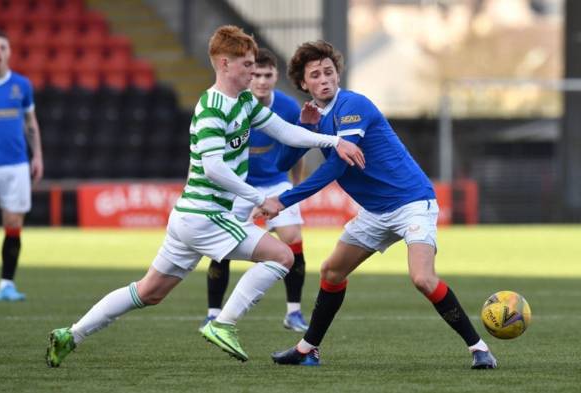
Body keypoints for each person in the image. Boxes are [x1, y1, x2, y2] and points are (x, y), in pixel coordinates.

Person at [45, 25, 364, 367]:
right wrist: (257, 197)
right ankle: (223, 324)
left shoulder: (243, 101)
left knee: (149, 291)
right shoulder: (211, 109)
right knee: (282, 256)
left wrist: (332, 141)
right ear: (224, 64)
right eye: (245, 65)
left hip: (191, 216)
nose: (251, 72)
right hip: (205, 215)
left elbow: (283, 130)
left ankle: (70, 335)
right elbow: (214, 169)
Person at [260, 40, 497, 369]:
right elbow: (283, 160)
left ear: (338, 75)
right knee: (331, 271)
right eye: (315, 74)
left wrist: (282, 200)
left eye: (329, 71)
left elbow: (338, 166)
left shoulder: (353, 106)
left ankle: (479, 349)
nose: (324, 78)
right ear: (303, 83)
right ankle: (307, 349)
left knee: (422, 279)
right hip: (375, 212)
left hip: (412, 202)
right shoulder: (318, 116)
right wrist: (306, 128)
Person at [201, 48, 309, 333]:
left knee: (293, 238)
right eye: (257, 74)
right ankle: (213, 313)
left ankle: (294, 313)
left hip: (275, 182)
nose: (261, 80)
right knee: (220, 248)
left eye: (267, 75)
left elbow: (296, 149)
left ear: (275, 76)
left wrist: (294, 189)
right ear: (249, 75)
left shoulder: (287, 107)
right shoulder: (233, 104)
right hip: (239, 185)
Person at [0, 31, 44, 302]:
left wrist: (37, 156)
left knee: (14, 223)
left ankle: (6, 284)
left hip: (17, 163)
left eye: (2, 47)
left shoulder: (22, 85)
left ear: (9, 52)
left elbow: (31, 123)